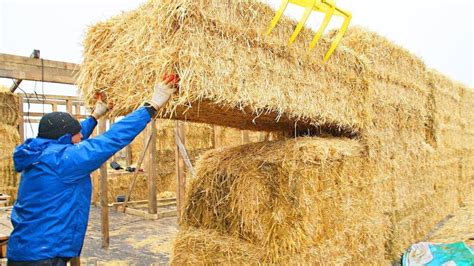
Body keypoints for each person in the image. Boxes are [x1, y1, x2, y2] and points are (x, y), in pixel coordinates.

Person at [7, 74, 179, 265]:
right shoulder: (63, 161)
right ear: (64, 138)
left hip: (28, 248)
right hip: (43, 256)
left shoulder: (42, 151)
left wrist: (95, 116)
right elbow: (111, 139)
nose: (82, 135)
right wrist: (151, 106)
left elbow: (75, 138)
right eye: (77, 133)